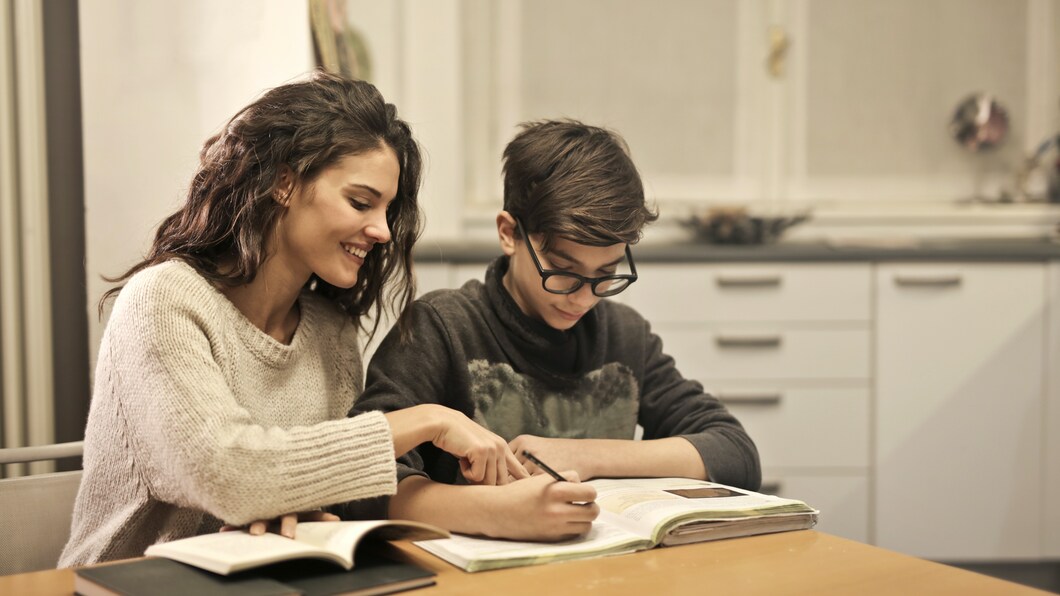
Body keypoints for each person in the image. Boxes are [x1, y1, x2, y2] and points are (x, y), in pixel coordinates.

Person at [60, 71, 526, 567]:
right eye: (362, 202)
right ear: (284, 182)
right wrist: (428, 419)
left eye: (388, 210)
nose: (382, 231)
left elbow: (304, 493)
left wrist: (296, 511)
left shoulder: (330, 332)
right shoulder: (163, 302)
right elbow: (230, 474)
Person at [350, 119, 761, 541]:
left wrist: (583, 455)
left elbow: (734, 452)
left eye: (606, 273)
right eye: (563, 272)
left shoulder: (624, 335)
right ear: (509, 233)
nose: (583, 299)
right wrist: (493, 512)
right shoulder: (441, 328)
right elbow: (356, 480)